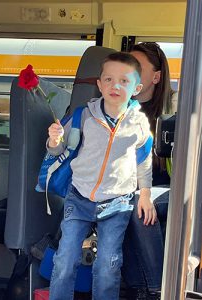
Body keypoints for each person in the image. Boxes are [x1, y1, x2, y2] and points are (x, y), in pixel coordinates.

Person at [47, 52, 156, 300]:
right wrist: (53, 140)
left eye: (124, 81)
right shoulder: (84, 115)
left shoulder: (139, 124)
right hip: (80, 195)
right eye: (108, 79)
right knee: (65, 259)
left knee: (108, 264)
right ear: (99, 84)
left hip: (117, 201)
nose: (114, 86)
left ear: (137, 88)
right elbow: (59, 149)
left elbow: (144, 160)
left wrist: (146, 195)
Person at [122, 42, 178, 300]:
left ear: (156, 77)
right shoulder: (117, 110)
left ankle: (158, 289)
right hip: (132, 190)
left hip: (172, 191)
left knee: (136, 201)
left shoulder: (174, 110)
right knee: (120, 203)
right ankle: (138, 290)